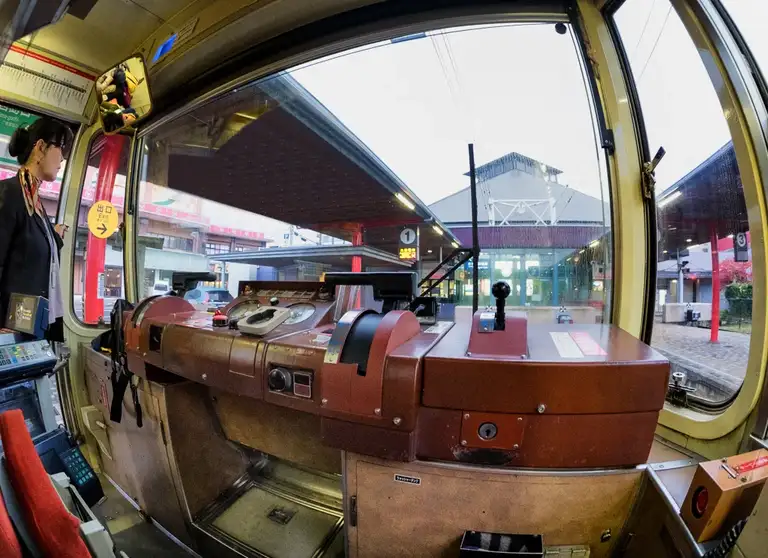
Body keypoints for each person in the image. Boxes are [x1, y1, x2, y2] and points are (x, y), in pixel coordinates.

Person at [0, 117, 73, 341]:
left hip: (32, 328)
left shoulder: (36, 205)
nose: (63, 158)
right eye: (61, 148)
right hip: (10, 331)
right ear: (41, 147)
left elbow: (29, 249)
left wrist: (54, 236)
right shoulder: (8, 194)